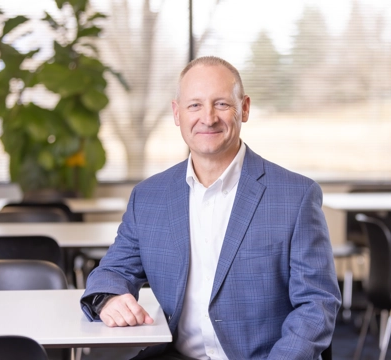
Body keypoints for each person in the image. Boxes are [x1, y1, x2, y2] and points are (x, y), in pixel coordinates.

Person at [81, 56, 341, 359]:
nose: (208, 118)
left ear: (244, 108)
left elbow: (317, 303)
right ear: (177, 113)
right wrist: (109, 298)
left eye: (221, 104)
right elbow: (113, 270)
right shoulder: (148, 197)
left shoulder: (295, 196)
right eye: (194, 105)